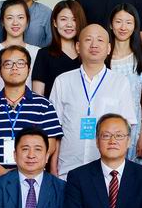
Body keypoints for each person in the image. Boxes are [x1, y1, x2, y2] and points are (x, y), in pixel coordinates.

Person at [50, 23, 136, 177]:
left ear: (109, 48)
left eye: (100, 40)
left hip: (107, 172)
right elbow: (55, 129)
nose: (94, 45)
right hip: (67, 169)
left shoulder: (120, 82)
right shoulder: (62, 81)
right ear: (78, 46)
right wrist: (53, 166)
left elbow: (126, 128)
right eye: (88, 39)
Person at [0, 46, 62, 179]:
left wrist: (28, 172)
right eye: (8, 64)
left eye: (20, 63)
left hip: (33, 180)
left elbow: (51, 144)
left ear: (29, 69)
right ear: (0, 71)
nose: (14, 68)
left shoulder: (44, 105)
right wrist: (2, 173)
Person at [108, 3, 142, 163]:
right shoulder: (104, 58)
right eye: (118, 21)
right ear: (111, 25)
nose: (123, 27)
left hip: (135, 126)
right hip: (108, 125)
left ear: (135, 26)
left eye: (128, 22)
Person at [0, 0, 42, 98]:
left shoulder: (38, 52)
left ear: (27, 21)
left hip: (30, 106)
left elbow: (38, 93)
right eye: (9, 18)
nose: (15, 23)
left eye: (20, 17)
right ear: (2, 22)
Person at [30, 0, 85, 98]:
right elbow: (38, 95)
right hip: (52, 107)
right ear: (55, 22)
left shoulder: (88, 54)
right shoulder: (44, 54)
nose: (69, 24)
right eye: (63, 19)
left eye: (74, 19)